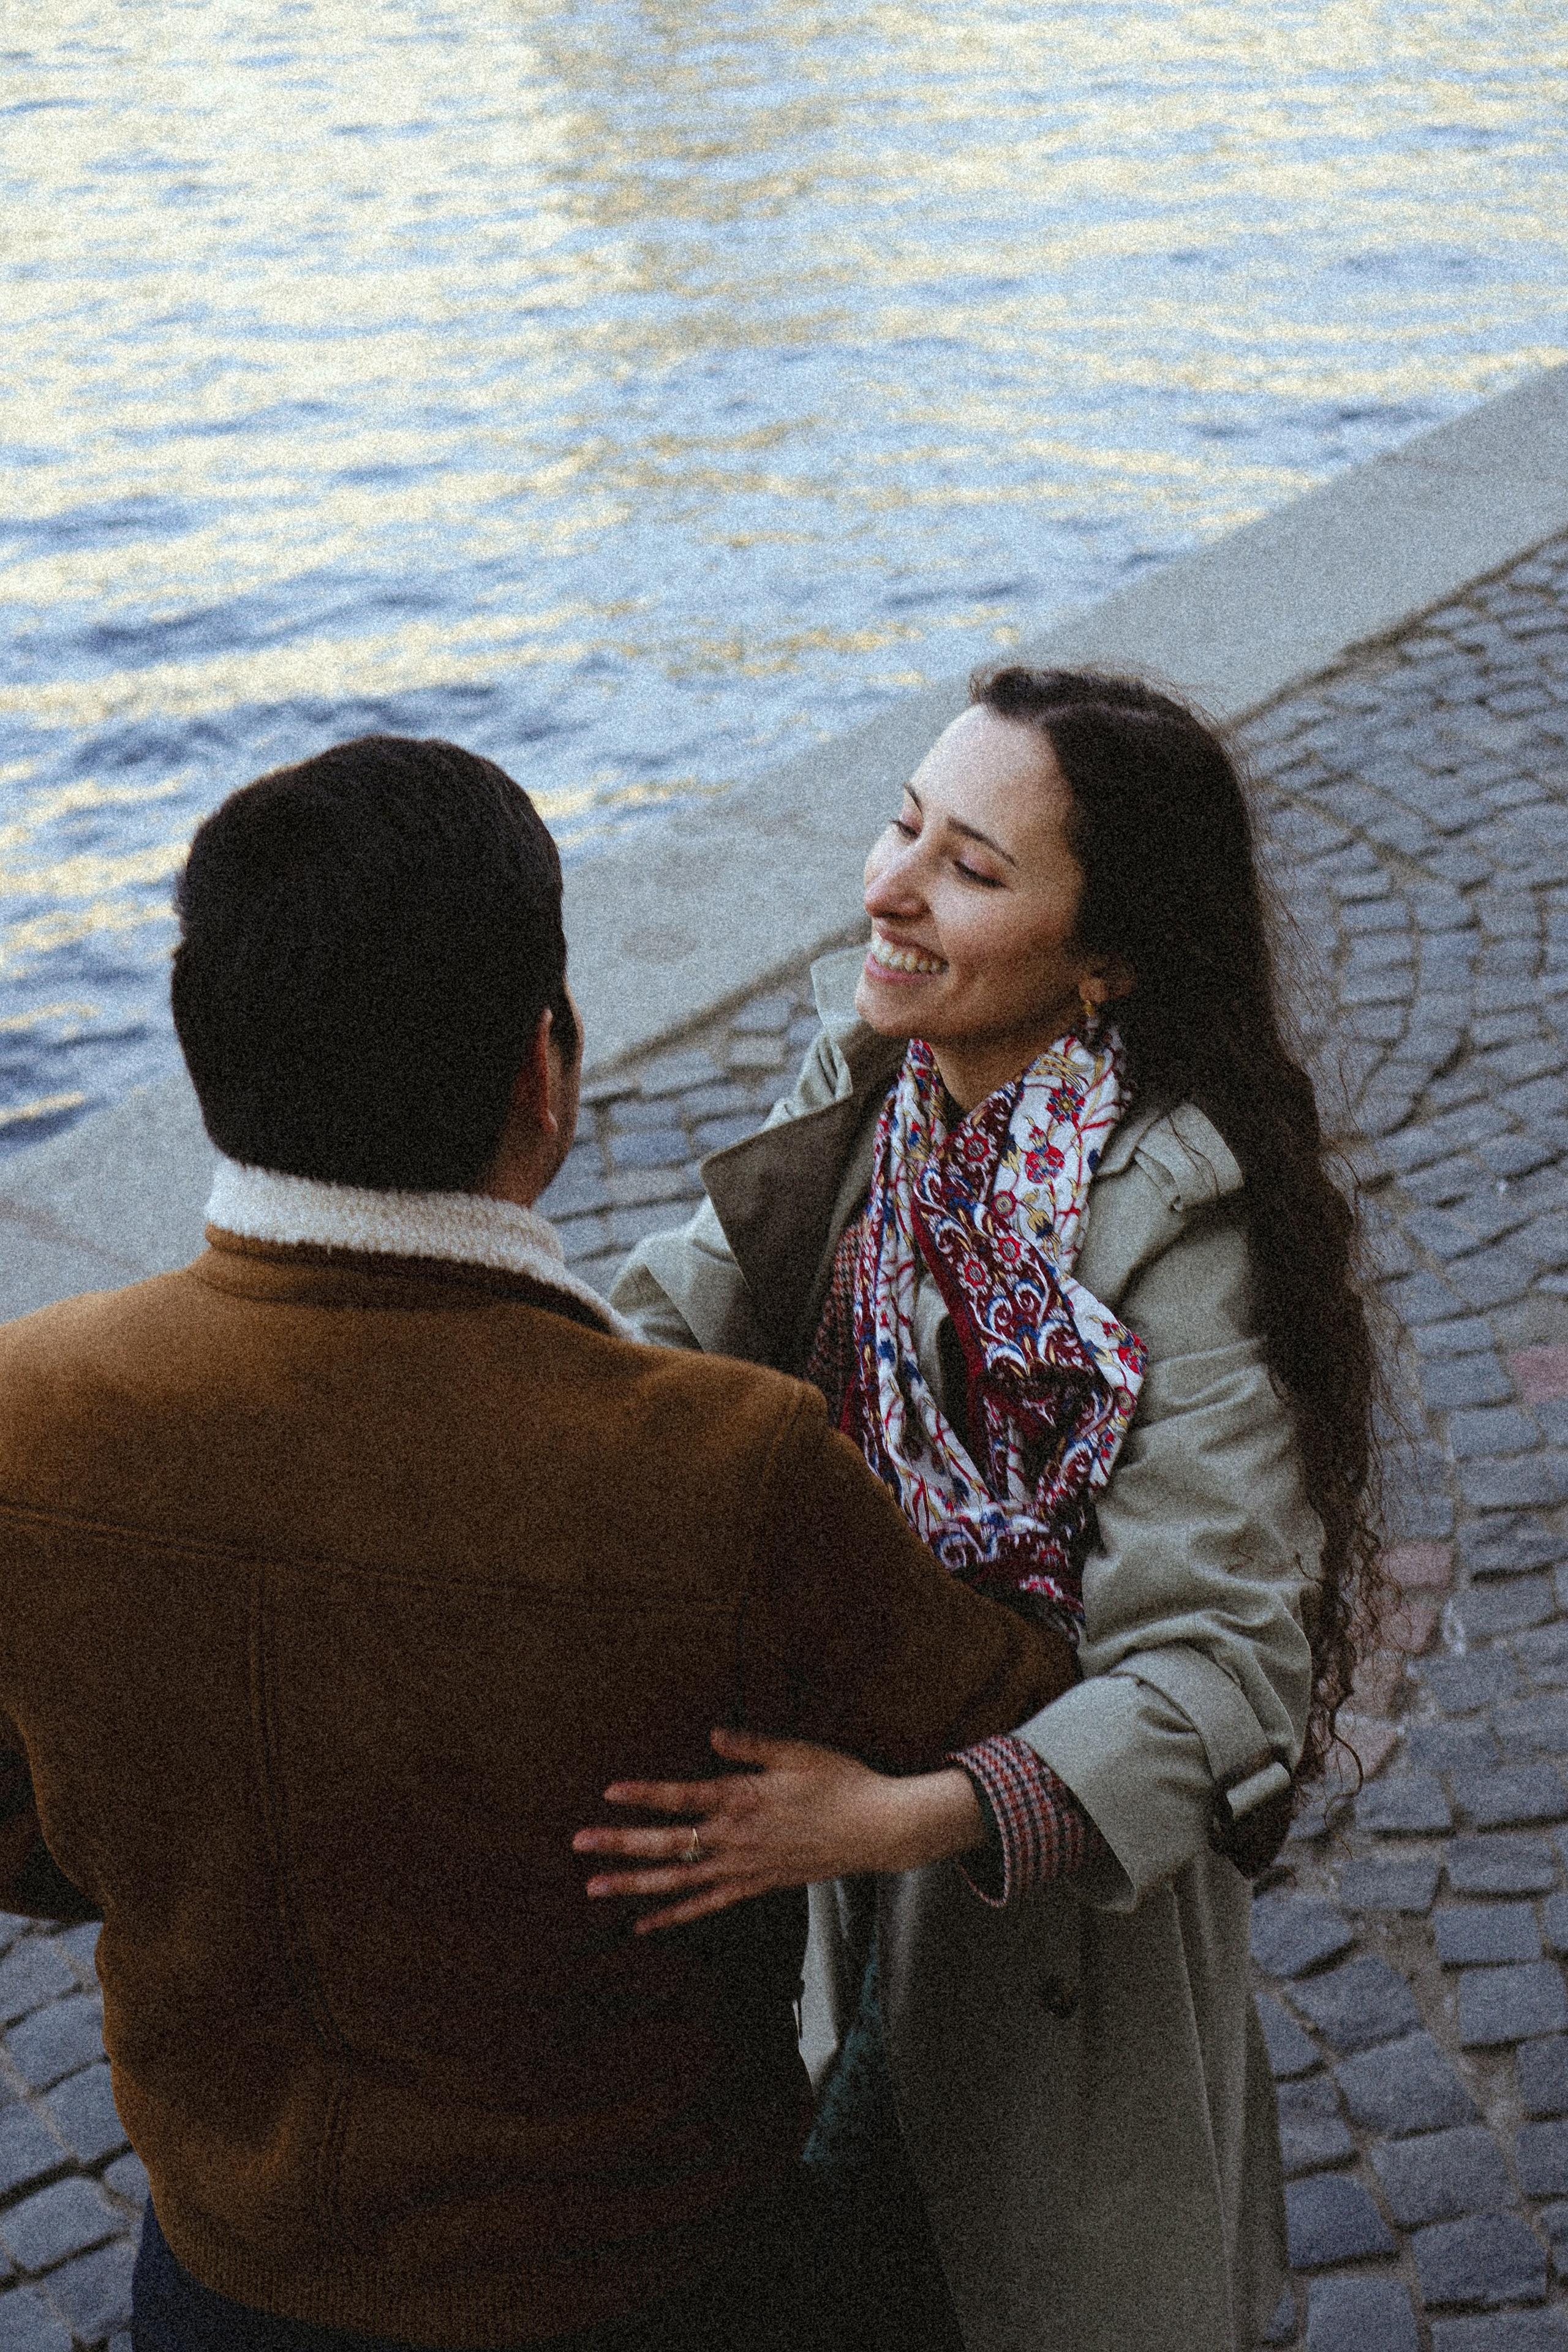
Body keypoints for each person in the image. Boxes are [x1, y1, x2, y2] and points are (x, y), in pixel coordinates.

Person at [0, 735, 1080, 2352]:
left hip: (230, 2285)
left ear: (208, 1057)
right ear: (543, 1067)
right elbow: (1018, 1704)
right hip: (662, 2287)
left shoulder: (32, 1412)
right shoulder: (721, 1466)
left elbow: (30, 1849)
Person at [585, 667, 1383, 2352]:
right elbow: (666, 1333)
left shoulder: (1194, 1240)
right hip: (842, 1899)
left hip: (1036, 1926)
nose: (888, 889)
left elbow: (1222, 1681)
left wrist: (880, 1821)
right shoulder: (873, 1089)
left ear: (1106, 961)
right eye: (901, 824)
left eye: (970, 867)